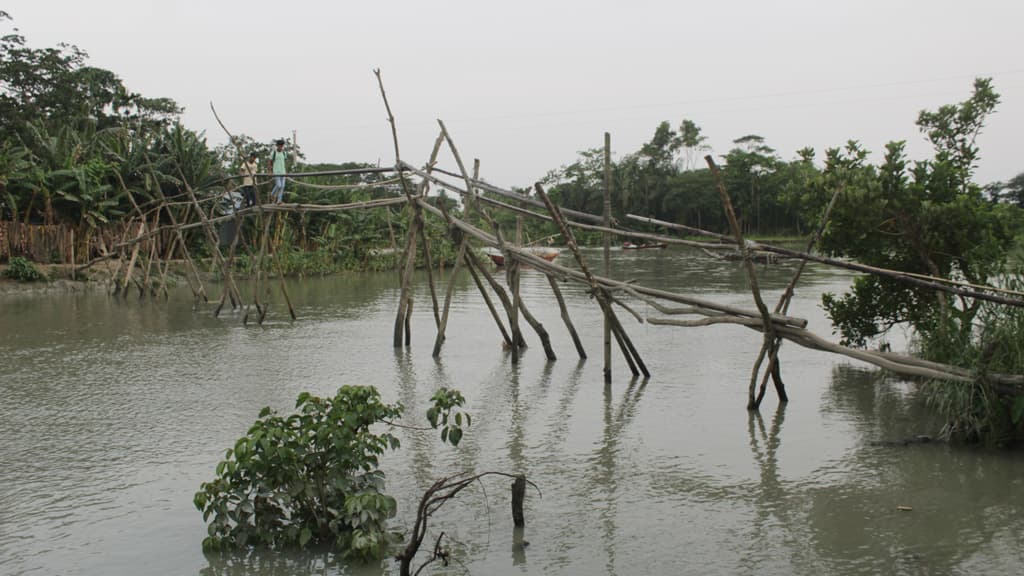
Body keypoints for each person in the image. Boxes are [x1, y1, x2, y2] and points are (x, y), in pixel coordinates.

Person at [269, 139, 287, 204]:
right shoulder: (273, 153)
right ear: (277, 146)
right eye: (280, 146)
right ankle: (272, 194)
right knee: (279, 185)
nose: (281, 147)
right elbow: (270, 162)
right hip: (276, 172)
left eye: (282, 146)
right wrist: (270, 171)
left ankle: (279, 201)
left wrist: (285, 171)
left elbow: (284, 162)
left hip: (283, 172)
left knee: (282, 186)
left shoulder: (284, 153)